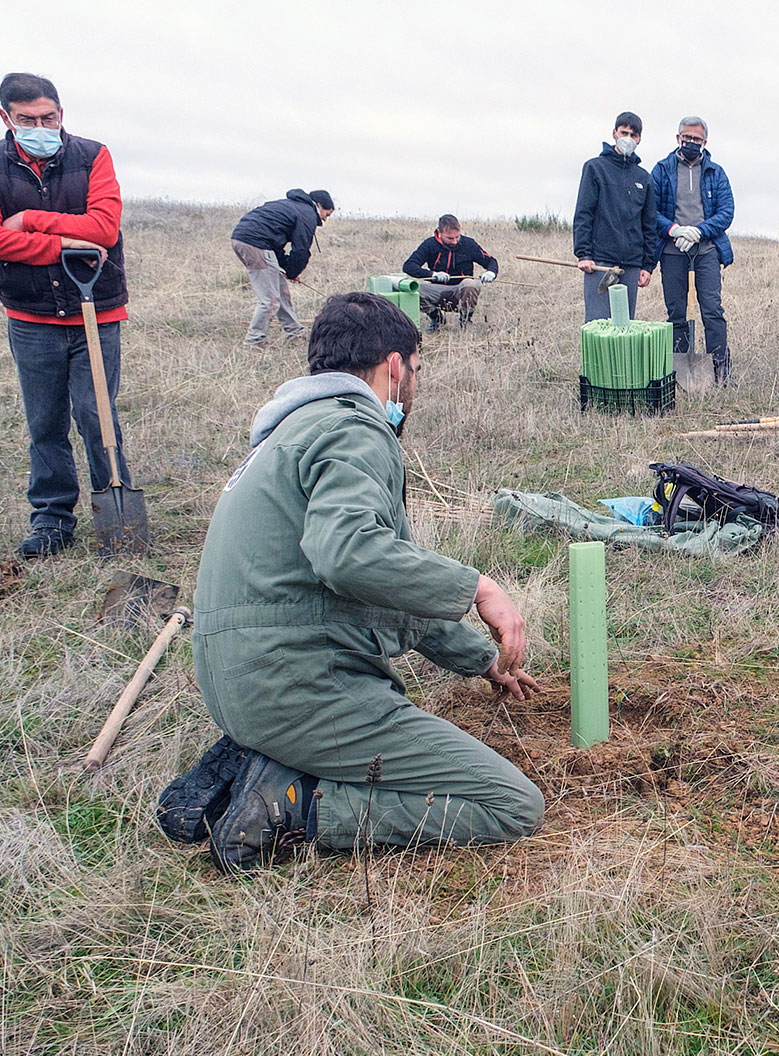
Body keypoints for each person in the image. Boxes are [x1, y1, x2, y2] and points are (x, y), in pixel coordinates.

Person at [182, 292, 544, 873]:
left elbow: (370, 588)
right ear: (395, 365)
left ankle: (273, 763)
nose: (414, 386)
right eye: (417, 371)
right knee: (511, 804)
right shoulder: (356, 430)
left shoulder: (292, 432)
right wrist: (477, 586)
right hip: (293, 687)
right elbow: (346, 554)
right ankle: (294, 810)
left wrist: (480, 659)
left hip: (237, 687)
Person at [0, 71, 131, 560]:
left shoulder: (92, 155)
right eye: (27, 119)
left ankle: (114, 511)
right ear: (6, 118)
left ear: (61, 113)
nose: (41, 125)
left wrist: (31, 222)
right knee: (45, 422)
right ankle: (53, 520)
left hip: (96, 311)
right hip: (31, 315)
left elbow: (103, 228)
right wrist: (64, 243)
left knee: (97, 414)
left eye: (49, 117)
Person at [650, 116, 737, 383]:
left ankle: (720, 369)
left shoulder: (716, 172)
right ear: (678, 138)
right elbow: (650, 210)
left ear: (705, 142)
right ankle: (681, 370)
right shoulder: (662, 170)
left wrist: (699, 231)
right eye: (686, 138)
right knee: (676, 311)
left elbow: (726, 212)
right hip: (673, 250)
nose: (691, 143)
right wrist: (674, 229)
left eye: (696, 139)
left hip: (707, 249)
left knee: (712, 309)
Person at [572, 112, 660, 322]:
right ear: (614, 133)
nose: (628, 138)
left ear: (639, 139)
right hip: (600, 261)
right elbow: (584, 213)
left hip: (630, 264)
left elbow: (649, 224)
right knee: (598, 324)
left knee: (623, 327)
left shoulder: (644, 178)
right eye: (624, 132)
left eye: (633, 134)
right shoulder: (595, 168)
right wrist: (583, 254)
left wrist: (647, 266)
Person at [230, 187, 335, 347]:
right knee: (270, 299)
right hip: (255, 244)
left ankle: (295, 332)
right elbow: (301, 249)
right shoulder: (307, 213)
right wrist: (293, 272)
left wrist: (288, 269)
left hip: (245, 240)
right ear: (319, 205)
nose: (326, 219)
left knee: (280, 291)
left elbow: (275, 244)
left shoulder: (293, 207)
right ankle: (254, 342)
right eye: (327, 214)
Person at [401, 214, 500, 331]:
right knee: (412, 291)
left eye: (457, 237)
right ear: (439, 233)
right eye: (450, 238)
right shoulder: (429, 245)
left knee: (470, 284)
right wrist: (432, 275)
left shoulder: (469, 244)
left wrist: (491, 273)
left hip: (461, 290)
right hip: (437, 290)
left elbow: (491, 261)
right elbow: (408, 266)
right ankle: (437, 320)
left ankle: (465, 323)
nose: (454, 241)